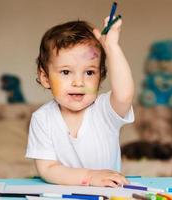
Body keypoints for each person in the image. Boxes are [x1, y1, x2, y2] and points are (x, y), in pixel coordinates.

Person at [26, 16, 135, 187]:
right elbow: (48, 169)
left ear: (101, 77)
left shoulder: (104, 111)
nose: (79, 82)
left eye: (89, 73)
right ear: (45, 77)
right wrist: (90, 177)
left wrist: (112, 47)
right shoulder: (42, 119)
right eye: (66, 72)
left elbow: (124, 95)